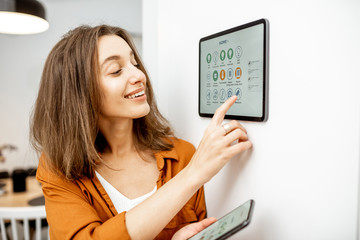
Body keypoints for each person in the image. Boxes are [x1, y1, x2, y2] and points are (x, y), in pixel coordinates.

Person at [30, 25, 252, 240]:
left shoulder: (182, 155)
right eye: (116, 71)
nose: (139, 75)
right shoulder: (58, 169)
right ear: (79, 93)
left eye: (135, 63)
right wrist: (193, 175)